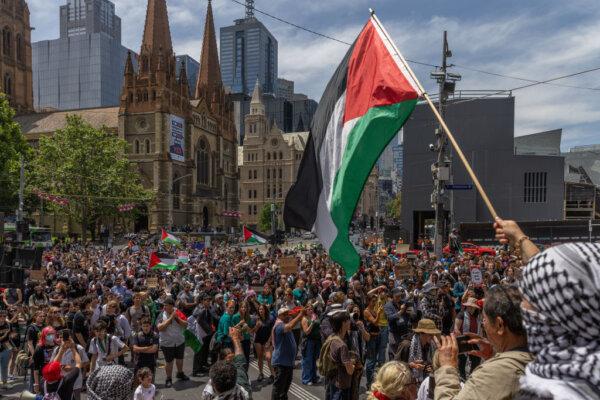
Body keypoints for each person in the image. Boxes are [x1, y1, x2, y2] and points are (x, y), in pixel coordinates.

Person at [495, 219, 600, 400]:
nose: (522, 306)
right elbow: (561, 278)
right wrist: (520, 238)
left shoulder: (553, 393)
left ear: (558, 313)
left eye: (530, 297)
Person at [433, 284, 533, 400]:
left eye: (485, 320)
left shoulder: (492, 373)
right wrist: (494, 355)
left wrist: (447, 368)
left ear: (499, 325)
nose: (483, 324)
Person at [201, 327, 251, 400]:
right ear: (235, 381)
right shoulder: (243, 394)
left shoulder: (207, 394)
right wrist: (235, 338)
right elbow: (240, 363)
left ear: (213, 385)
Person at [271, 306, 305, 400]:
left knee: (284, 389)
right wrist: (300, 315)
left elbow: (291, 323)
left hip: (287, 363)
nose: (288, 316)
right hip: (281, 363)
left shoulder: (285, 323)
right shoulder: (279, 325)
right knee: (278, 389)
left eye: (288, 314)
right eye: (285, 314)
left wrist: (296, 313)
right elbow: (290, 326)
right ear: (280, 316)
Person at [156, 296, 189, 387]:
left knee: (179, 359)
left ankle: (180, 373)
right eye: (164, 305)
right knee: (169, 362)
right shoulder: (161, 315)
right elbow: (160, 328)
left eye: (166, 305)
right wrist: (171, 318)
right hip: (167, 343)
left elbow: (186, 325)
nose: (164, 307)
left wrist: (177, 318)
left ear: (171, 306)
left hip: (179, 341)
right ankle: (169, 378)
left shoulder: (178, 312)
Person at [324, 310, 356, 400]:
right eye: (348, 320)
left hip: (333, 380)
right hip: (342, 383)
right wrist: (353, 364)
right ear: (343, 323)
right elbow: (350, 371)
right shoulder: (342, 345)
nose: (350, 322)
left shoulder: (332, 338)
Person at [50, 330, 89, 400]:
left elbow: (86, 362)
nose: (64, 340)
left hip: (76, 382)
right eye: (61, 337)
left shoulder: (78, 348)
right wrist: (60, 366)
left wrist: (73, 368)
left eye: (66, 337)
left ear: (71, 337)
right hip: (61, 382)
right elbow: (52, 364)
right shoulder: (57, 349)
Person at [453, 298, 482, 380]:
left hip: (473, 341)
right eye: (469, 306)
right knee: (462, 361)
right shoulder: (461, 314)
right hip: (463, 340)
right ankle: (462, 379)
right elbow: (456, 329)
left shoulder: (477, 316)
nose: (471, 308)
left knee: (477, 359)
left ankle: (472, 377)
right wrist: (461, 341)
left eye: (472, 307)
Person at [408, 319, 439, 384]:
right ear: (422, 333)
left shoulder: (431, 345)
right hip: (409, 382)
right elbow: (396, 365)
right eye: (430, 334)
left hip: (424, 380)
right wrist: (411, 365)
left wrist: (429, 367)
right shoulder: (407, 345)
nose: (433, 336)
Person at [32, 326, 57, 396]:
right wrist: (36, 384)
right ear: (44, 335)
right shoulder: (39, 348)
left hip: (56, 376)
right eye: (48, 334)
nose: (51, 336)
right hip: (44, 378)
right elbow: (36, 368)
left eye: (52, 334)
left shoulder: (57, 346)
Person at [300, 302, 321, 385]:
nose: (310, 310)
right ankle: (306, 379)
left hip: (317, 340)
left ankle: (314, 377)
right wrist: (312, 322)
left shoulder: (315, 316)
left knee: (314, 360)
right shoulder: (305, 319)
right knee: (307, 360)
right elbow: (307, 332)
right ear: (305, 310)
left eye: (311, 309)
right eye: (308, 309)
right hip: (308, 341)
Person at [254, 303, 275, 383]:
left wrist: (269, 341)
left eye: (262, 309)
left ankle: (273, 374)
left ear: (265, 310)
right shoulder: (256, 319)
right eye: (259, 309)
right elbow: (253, 331)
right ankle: (261, 373)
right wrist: (257, 326)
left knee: (268, 358)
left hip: (267, 340)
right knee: (259, 357)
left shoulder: (271, 318)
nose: (261, 311)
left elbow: (272, 331)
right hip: (258, 340)